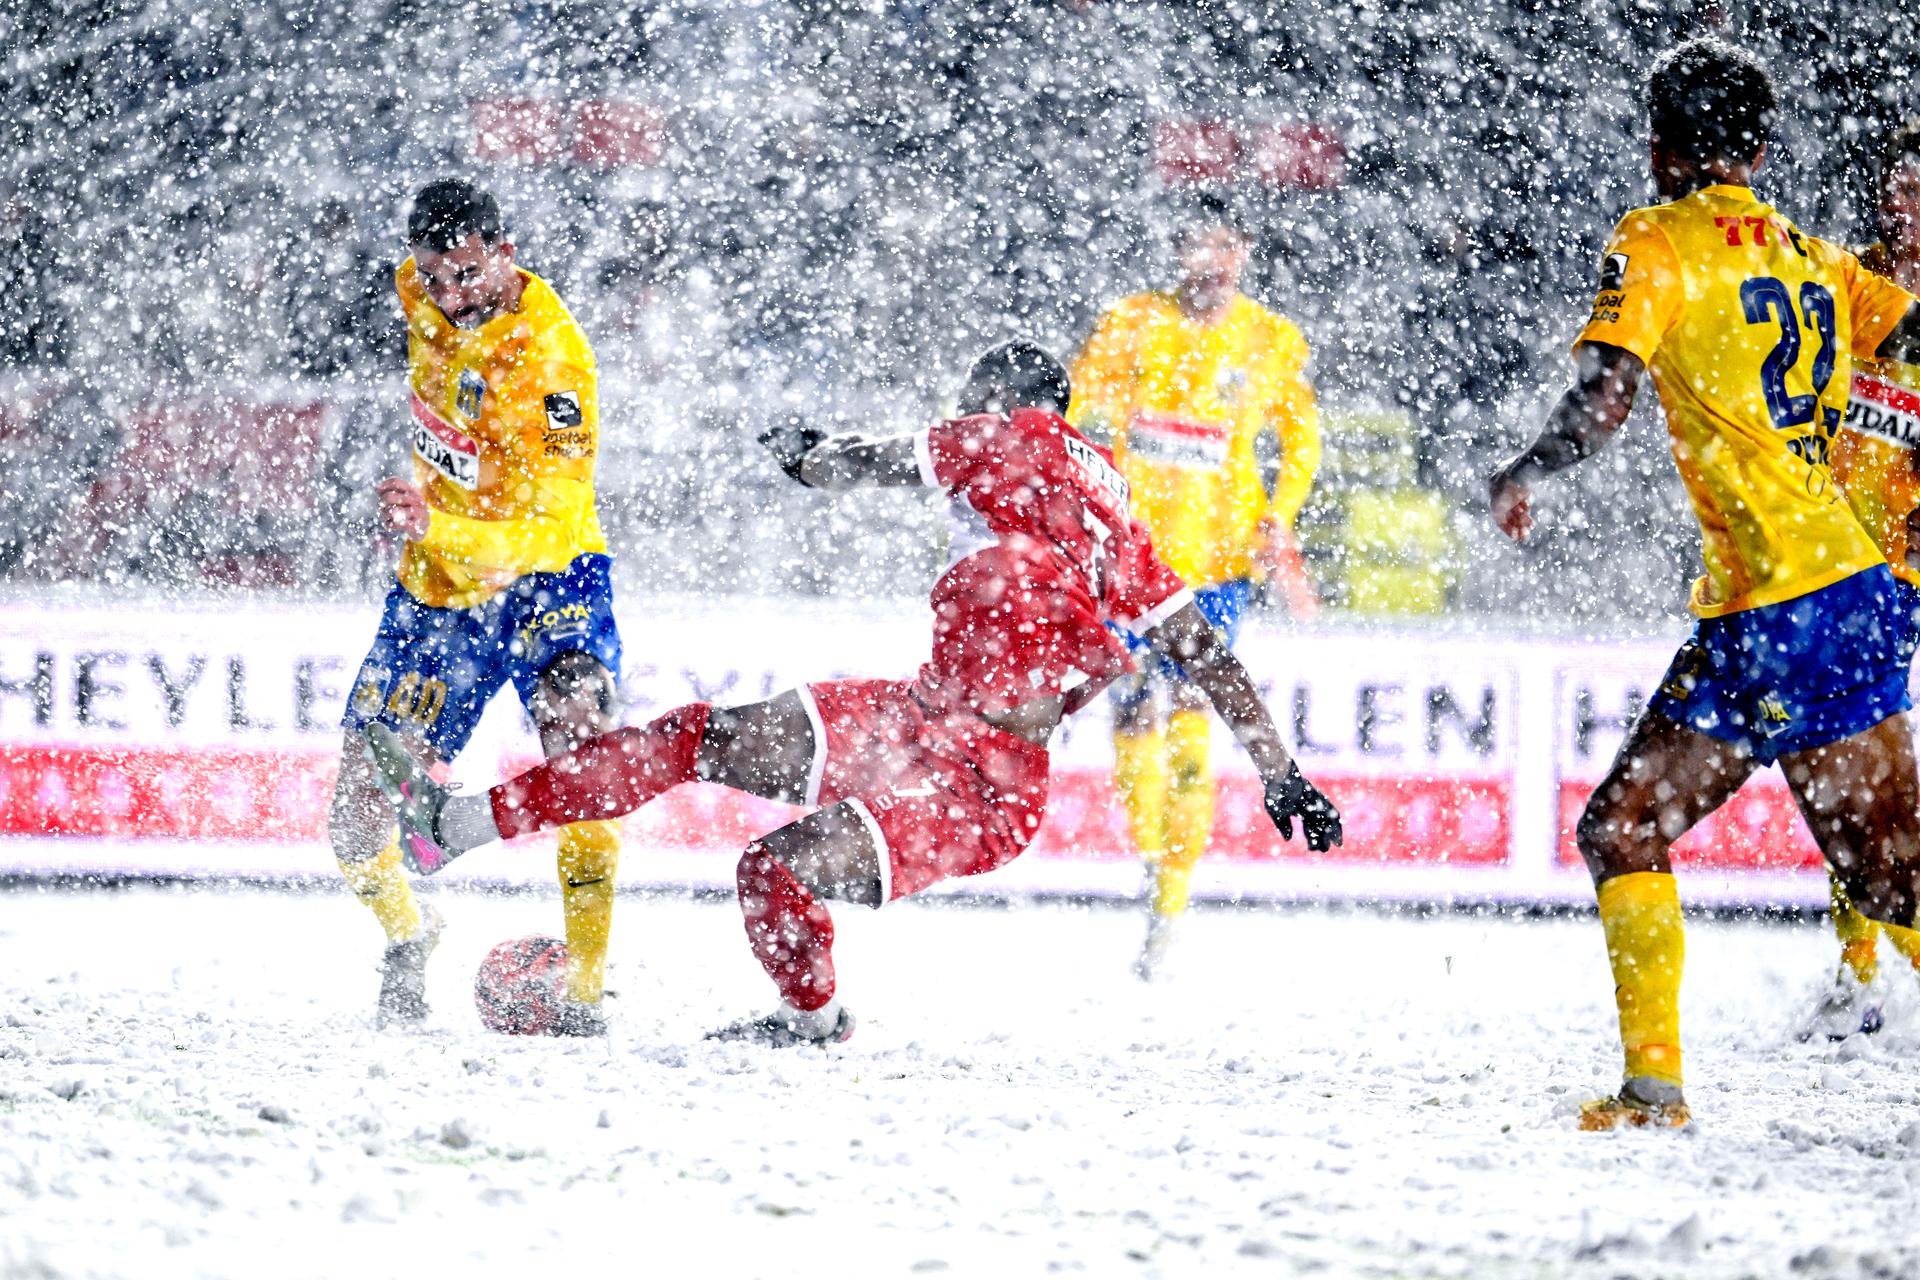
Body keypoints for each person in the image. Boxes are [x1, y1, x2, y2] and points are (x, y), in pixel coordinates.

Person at [364, 341, 1344, 1045]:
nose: (962, 420)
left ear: (1002, 399)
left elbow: (866, 461)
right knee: (700, 741)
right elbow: (1201, 649)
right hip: (921, 716)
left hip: (982, 781)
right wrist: (1282, 771)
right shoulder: (1112, 507)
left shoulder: (1001, 435)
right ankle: (456, 825)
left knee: (766, 862)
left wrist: (807, 455)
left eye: (970, 401)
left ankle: (813, 1020)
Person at [1488, 40, 1920, 1129]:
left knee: (1883, 874)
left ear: (1660, 147)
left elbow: (1606, 394)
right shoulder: (1812, 253)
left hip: (1788, 601)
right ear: (1762, 150)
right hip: (1819, 589)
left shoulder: (1657, 238)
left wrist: (1528, 466)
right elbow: (1906, 326)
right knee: (1644, 829)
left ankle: (1654, 1086)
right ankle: (1653, 1090)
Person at [329, 178, 624, 1035]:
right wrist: (438, 532)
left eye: (465, 274)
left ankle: (584, 991)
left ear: (506, 252)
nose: (448, 296)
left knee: (585, 749)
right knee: (356, 807)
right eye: (434, 276)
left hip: (547, 576)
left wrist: (439, 521)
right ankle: (409, 934)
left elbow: (548, 524)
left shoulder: (553, 363)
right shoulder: (416, 288)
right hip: (438, 592)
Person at [1067, 193, 1323, 979]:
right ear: (1177, 254)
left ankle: (1170, 896)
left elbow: (1302, 434)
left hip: (1216, 563)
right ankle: (1155, 861)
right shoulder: (1132, 324)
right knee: (1136, 708)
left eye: (1225, 247)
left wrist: (1280, 513)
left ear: (1244, 252)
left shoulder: (1272, 339)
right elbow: (1077, 410)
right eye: (1196, 247)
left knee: (1184, 705)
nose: (1211, 263)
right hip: (1134, 556)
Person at [1812, 117, 1920, 1040]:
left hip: (1904, 566)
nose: (1909, 203)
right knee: (1856, 768)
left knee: (1871, 773)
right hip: (1835, 556)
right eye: (1902, 185)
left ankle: (1866, 967)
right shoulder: (1847, 283)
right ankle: (1856, 969)